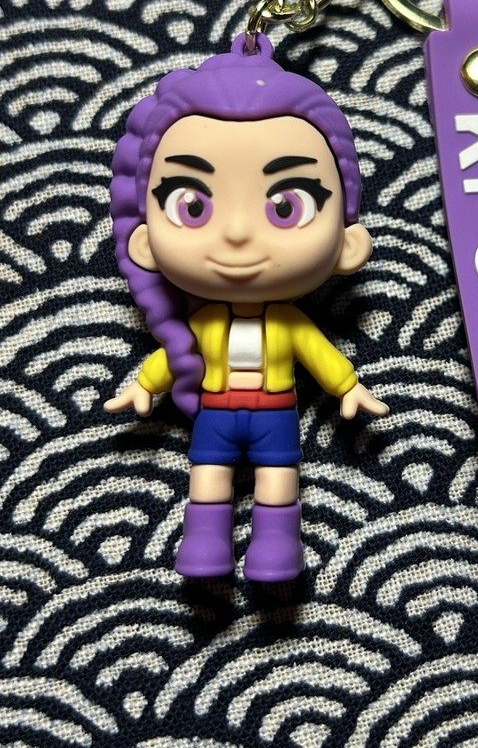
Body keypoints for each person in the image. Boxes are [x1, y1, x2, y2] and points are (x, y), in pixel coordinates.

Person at [105, 34, 388, 581]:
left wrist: (348, 387)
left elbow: (320, 355)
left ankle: (276, 549)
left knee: (278, 481)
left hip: (275, 412)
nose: (237, 233)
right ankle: (203, 545)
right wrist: (144, 385)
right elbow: (175, 357)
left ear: (347, 243)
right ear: (145, 241)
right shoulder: (202, 324)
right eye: (192, 205)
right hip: (216, 412)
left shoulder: (288, 322)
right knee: (207, 478)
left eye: (286, 205)